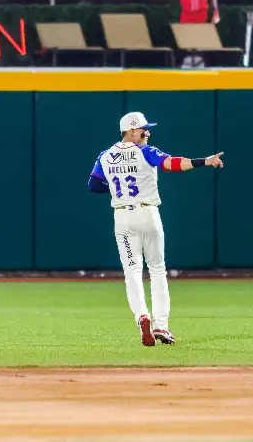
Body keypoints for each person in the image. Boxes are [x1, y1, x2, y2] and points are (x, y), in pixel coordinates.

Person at [88, 112, 225, 345]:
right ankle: (161, 326)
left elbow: (93, 185)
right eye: (143, 129)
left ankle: (142, 316)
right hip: (148, 214)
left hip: (122, 217)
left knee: (132, 272)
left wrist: (115, 186)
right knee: (157, 270)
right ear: (131, 131)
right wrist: (204, 161)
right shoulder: (145, 152)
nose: (147, 132)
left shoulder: (105, 156)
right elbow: (172, 164)